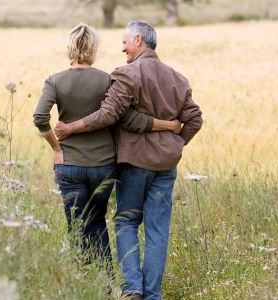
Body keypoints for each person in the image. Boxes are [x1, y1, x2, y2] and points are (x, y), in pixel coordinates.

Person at [54, 21, 203, 300]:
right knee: (158, 230)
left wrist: (72, 127)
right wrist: (175, 142)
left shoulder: (126, 74)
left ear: (138, 40)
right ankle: (152, 295)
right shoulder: (178, 78)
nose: (122, 47)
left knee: (126, 221)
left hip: (135, 163)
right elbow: (194, 119)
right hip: (166, 166)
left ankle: (132, 288)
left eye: (124, 41)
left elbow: (111, 115)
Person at [33, 23, 180, 266]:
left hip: (69, 164)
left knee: (77, 226)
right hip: (103, 166)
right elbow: (122, 117)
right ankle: (107, 283)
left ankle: (82, 281)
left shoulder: (55, 81)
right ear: (94, 49)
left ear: (69, 48)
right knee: (98, 222)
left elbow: (40, 118)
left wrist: (57, 149)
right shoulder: (107, 80)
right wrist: (168, 126)